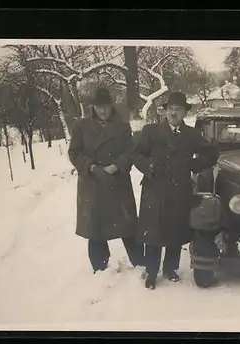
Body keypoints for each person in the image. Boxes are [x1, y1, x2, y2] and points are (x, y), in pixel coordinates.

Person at [133, 92, 219, 289]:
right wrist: (150, 165)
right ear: (165, 111)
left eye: (178, 109)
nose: (173, 113)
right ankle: (151, 272)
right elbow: (136, 155)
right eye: (170, 108)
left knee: (175, 232)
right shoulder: (150, 131)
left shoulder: (191, 135)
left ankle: (170, 269)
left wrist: (193, 165)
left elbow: (209, 154)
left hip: (179, 189)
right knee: (153, 233)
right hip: (155, 188)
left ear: (184, 112)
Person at [68, 88, 144, 273]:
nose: (103, 111)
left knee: (127, 226)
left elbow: (131, 151)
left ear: (111, 106)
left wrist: (116, 166)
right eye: (99, 107)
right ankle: (100, 268)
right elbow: (74, 153)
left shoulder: (122, 126)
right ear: (93, 107)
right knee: (96, 229)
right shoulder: (81, 126)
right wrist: (92, 167)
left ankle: (140, 264)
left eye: (106, 107)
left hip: (116, 182)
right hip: (92, 183)